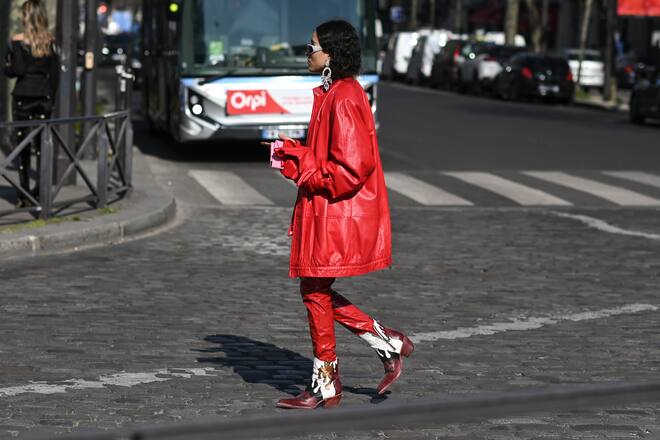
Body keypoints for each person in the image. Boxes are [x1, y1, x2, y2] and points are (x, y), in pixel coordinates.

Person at [274, 20, 414, 410]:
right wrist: (294, 154)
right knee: (314, 290)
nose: (308, 52)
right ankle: (379, 347)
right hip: (327, 210)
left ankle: (334, 377)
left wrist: (302, 168)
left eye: (313, 46)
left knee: (314, 290)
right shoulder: (334, 93)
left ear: (331, 53)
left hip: (335, 212)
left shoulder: (344, 96)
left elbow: (351, 168)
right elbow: (331, 158)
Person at [3, 0, 59, 207]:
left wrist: (7, 67)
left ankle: (23, 192)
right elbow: (54, 76)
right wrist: (50, 100)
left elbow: (15, 71)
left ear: (26, 17)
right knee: (43, 146)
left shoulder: (17, 41)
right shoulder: (50, 42)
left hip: (23, 98)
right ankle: (41, 191)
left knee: (22, 146)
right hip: (43, 99)